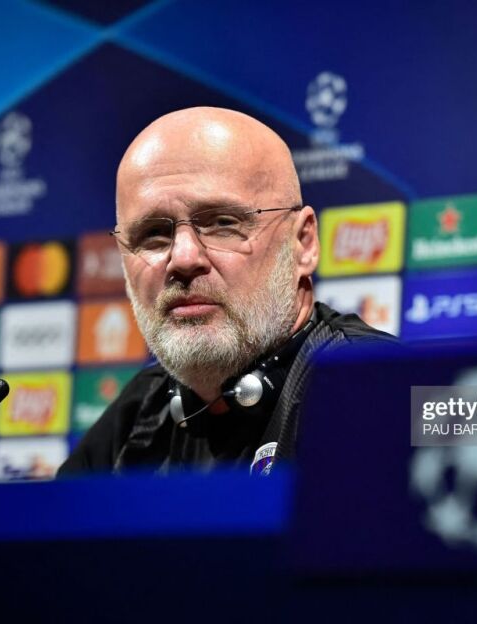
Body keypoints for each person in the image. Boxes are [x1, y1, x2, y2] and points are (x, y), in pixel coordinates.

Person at [58, 107, 397, 477]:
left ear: (303, 243)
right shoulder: (133, 422)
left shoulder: (388, 389)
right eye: (153, 234)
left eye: (222, 223)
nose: (183, 259)